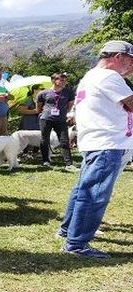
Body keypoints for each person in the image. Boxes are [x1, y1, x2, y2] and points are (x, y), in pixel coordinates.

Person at [57, 40, 133, 259]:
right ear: (118, 57)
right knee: (95, 194)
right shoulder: (110, 77)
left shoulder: (90, 76)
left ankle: (68, 230)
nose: (131, 66)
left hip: (96, 141)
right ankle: (77, 243)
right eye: (130, 61)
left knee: (84, 189)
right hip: (108, 142)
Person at [36, 73, 76, 170]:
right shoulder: (43, 93)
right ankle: (46, 161)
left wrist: (63, 113)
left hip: (61, 119)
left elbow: (69, 105)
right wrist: (44, 113)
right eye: (61, 80)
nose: (63, 82)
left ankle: (68, 164)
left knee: (64, 140)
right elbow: (38, 107)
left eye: (64, 80)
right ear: (53, 81)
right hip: (46, 118)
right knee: (44, 139)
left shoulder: (68, 92)